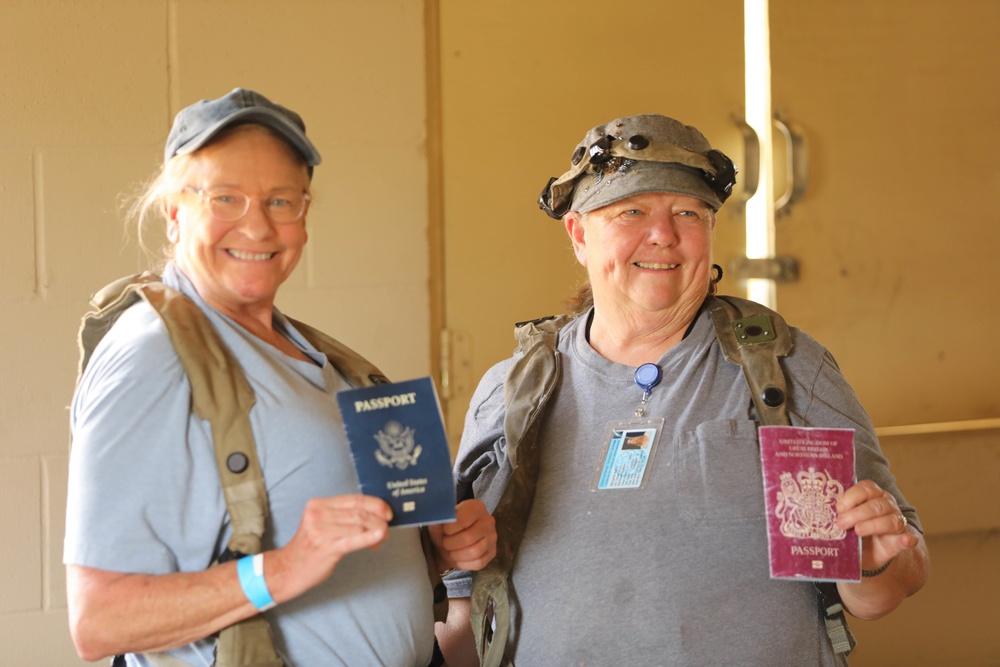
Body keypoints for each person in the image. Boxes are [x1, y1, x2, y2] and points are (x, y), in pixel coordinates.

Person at [437, 114, 929, 666]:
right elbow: (464, 615)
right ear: (578, 234)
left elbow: (897, 576)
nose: (664, 235)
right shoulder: (509, 393)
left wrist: (871, 564)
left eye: (688, 213)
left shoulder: (783, 370)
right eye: (632, 211)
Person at [64, 88, 496, 666]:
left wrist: (435, 549)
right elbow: (100, 620)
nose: (257, 227)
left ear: (305, 217)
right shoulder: (153, 352)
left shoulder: (319, 356)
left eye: (279, 201)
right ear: (174, 214)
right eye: (225, 198)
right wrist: (286, 566)